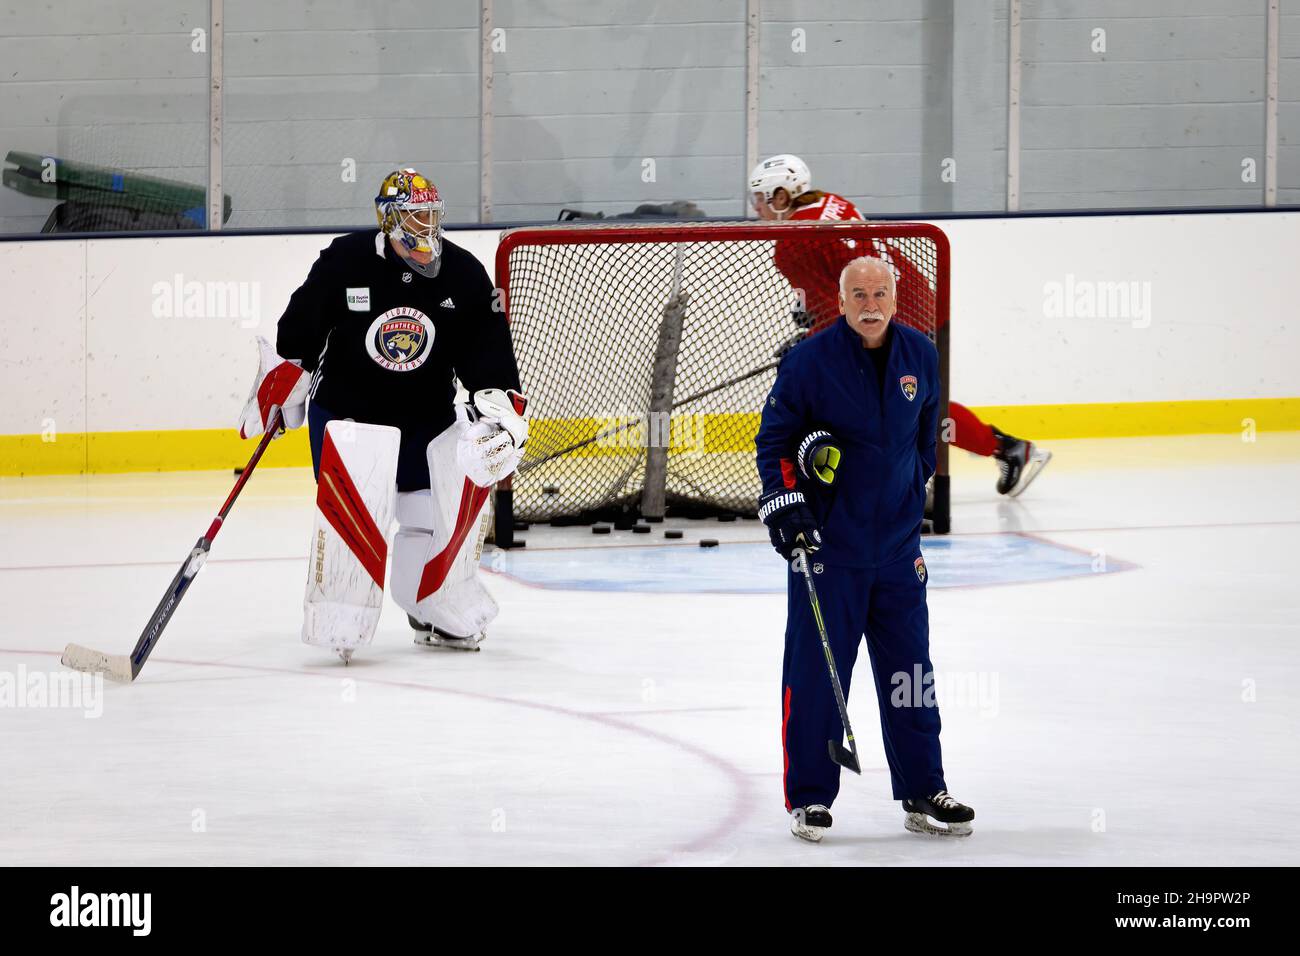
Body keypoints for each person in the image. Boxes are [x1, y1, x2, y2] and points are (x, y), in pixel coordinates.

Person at [237, 168, 528, 661]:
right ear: (388, 219)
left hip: (425, 417)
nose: (426, 226)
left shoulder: (463, 273)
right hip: (350, 419)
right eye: (415, 215)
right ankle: (342, 614)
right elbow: (299, 334)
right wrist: (284, 385)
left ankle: (433, 603)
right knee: (360, 518)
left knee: (433, 512)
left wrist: (500, 409)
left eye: (433, 215)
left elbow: (485, 350)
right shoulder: (345, 260)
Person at [756, 255, 974, 842]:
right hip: (829, 548)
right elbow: (774, 440)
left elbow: (926, 435)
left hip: (899, 550)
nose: (871, 305)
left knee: (911, 672)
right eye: (859, 294)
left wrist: (910, 492)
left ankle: (924, 788)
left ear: (894, 298)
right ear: (843, 299)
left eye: (880, 293)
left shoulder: (920, 355)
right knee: (817, 671)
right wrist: (788, 506)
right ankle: (810, 796)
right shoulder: (807, 362)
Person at [749, 153, 1050, 497]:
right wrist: (810, 320)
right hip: (915, 298)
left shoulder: (789, 246)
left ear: (783, 195)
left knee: (902, 403)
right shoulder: (832, 203)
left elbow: (835, 308)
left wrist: (809, 342)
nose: (757, 207)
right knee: (909, 401)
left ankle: (1002, 446)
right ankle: (1003, 446)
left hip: (890, 317)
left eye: (762, 197)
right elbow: (839, 274)